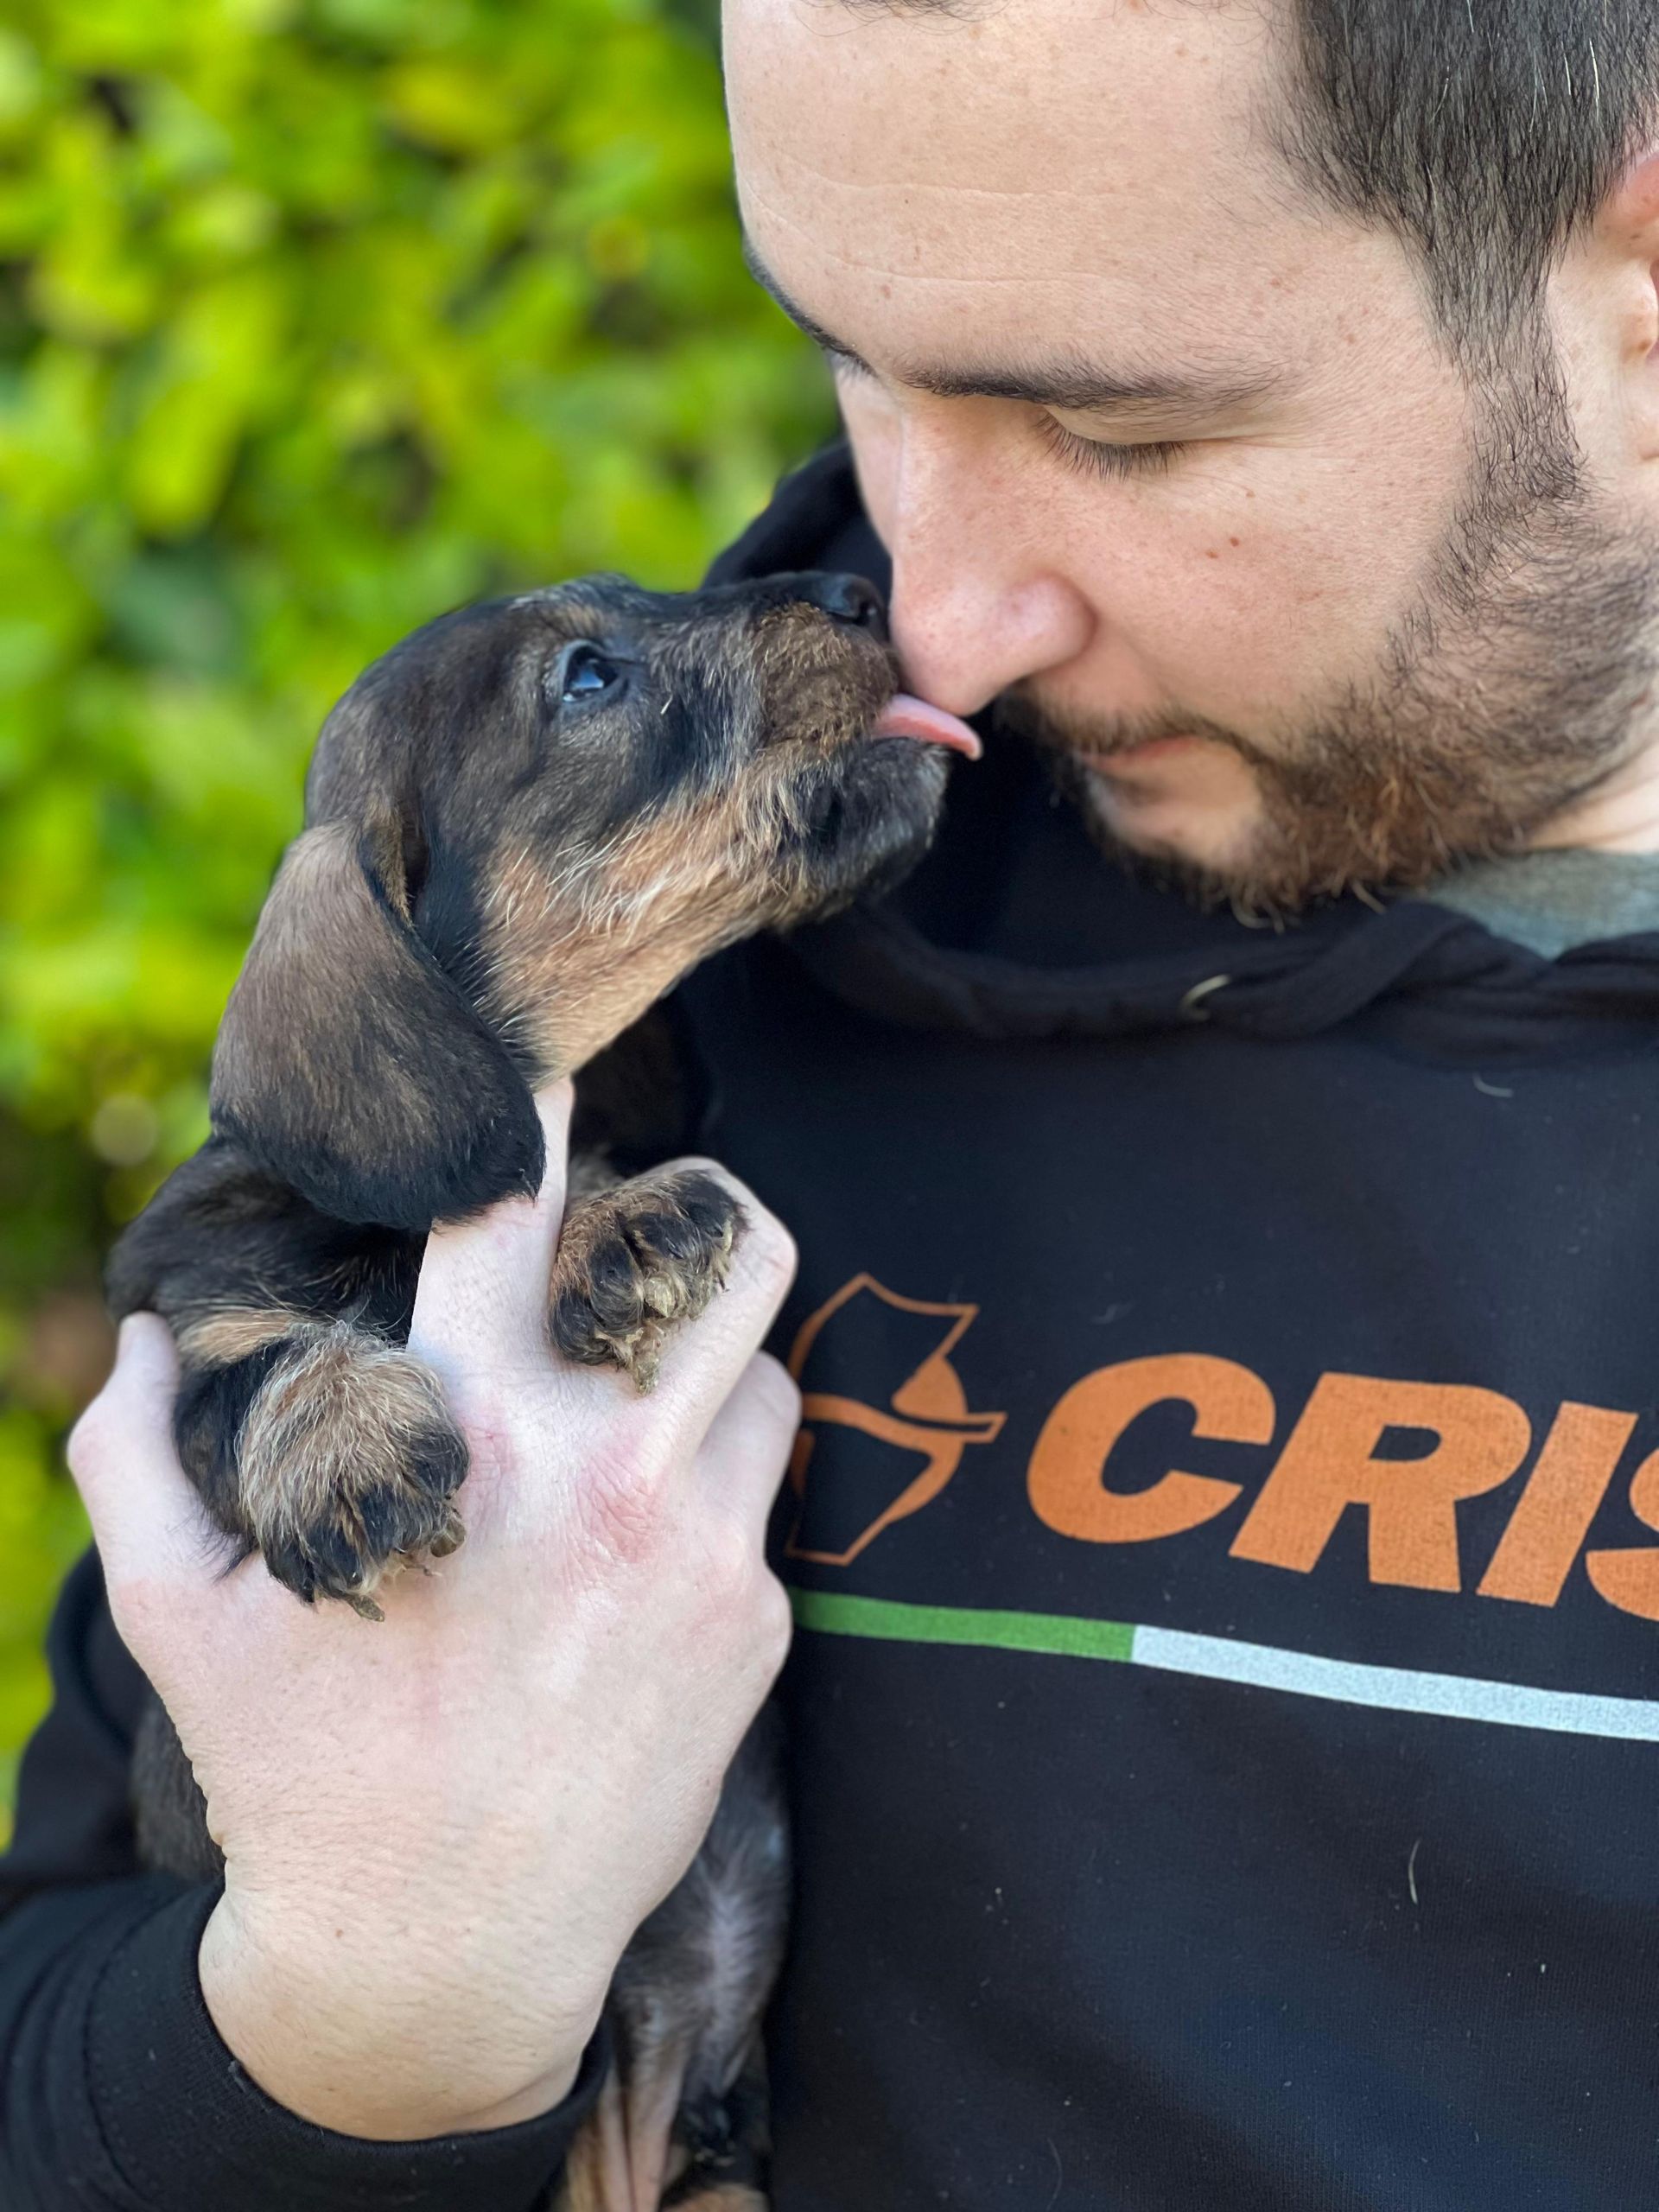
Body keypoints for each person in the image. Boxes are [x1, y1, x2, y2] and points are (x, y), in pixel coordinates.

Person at [8, 0, 1659, 2202]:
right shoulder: (633, 1000)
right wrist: (355, 2023)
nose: (936, 630)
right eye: (861, 365)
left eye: (1125, 435)